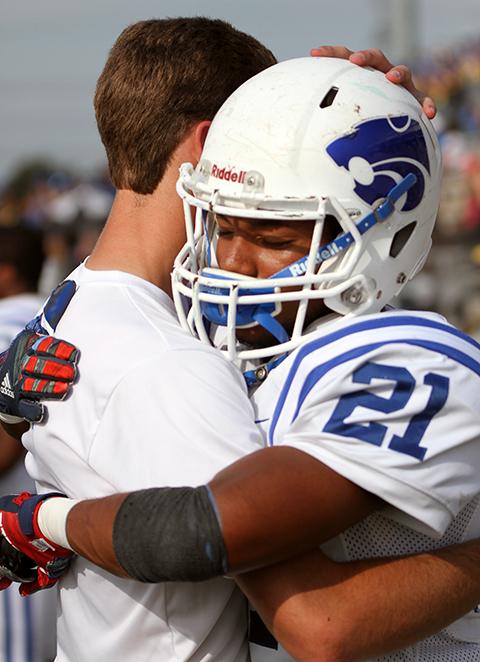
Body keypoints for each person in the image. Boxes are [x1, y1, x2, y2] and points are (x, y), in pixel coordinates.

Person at [0, 23, 463, 662]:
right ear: (213, 142)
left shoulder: (88, 307)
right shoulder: (175, 356)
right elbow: (312, 616)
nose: (237, 265)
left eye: (271, 237)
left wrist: (389, 136)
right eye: (226, 227)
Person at [0, 227, 56, 662]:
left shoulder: (9, 323)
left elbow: (4, 445)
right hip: (45, 530)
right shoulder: (51, 314)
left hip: (17, 528)